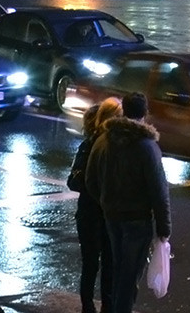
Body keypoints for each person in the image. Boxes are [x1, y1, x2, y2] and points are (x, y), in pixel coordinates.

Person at [92, 92, 171, 313]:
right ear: (145, 113)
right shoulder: (147, 147)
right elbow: (159, 190)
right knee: (129, 277)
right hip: (137, 220)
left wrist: (106, 201)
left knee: (118, 270)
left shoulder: (104, 141)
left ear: (124, 110)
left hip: (112, 217)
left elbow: (91, 178)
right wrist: (164, 228)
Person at [69, 97, 123, 313]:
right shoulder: (92, 144)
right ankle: (89, 306)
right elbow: (74, 180)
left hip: (105, 214)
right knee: (93, 263)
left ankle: (104, 306)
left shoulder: (117, 144)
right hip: (92, 213)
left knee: (107, 263)